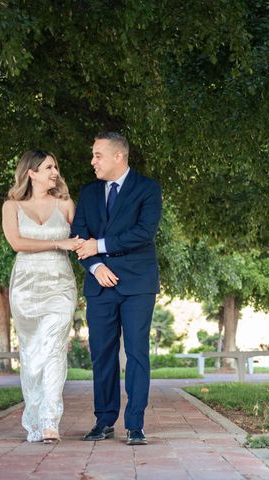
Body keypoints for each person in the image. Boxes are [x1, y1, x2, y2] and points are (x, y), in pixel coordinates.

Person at [72, 132, 162, 446]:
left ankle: (135, 424)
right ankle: (104, 420)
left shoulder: (148, 188)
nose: (92, 161)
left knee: (137, 354)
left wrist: (102, 245)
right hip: (99, 285)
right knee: (103, 355)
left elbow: (144, 232)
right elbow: (79, 236)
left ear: (118, 156)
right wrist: (96, 266)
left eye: (98, 155)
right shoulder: (88, 193)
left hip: (138, 283)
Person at [2, 150, 82, 444]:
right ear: (31, 173)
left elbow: (82, 237)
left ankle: (50, 420)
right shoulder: (11, 207)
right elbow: (17, 243)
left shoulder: (65, 204)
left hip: (60, 285)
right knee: (32, 353)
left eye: (56, 167)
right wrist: (58, 242)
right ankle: (34, 418)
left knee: (53, 349)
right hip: (25, 285)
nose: (55, 172)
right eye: (49, 167)